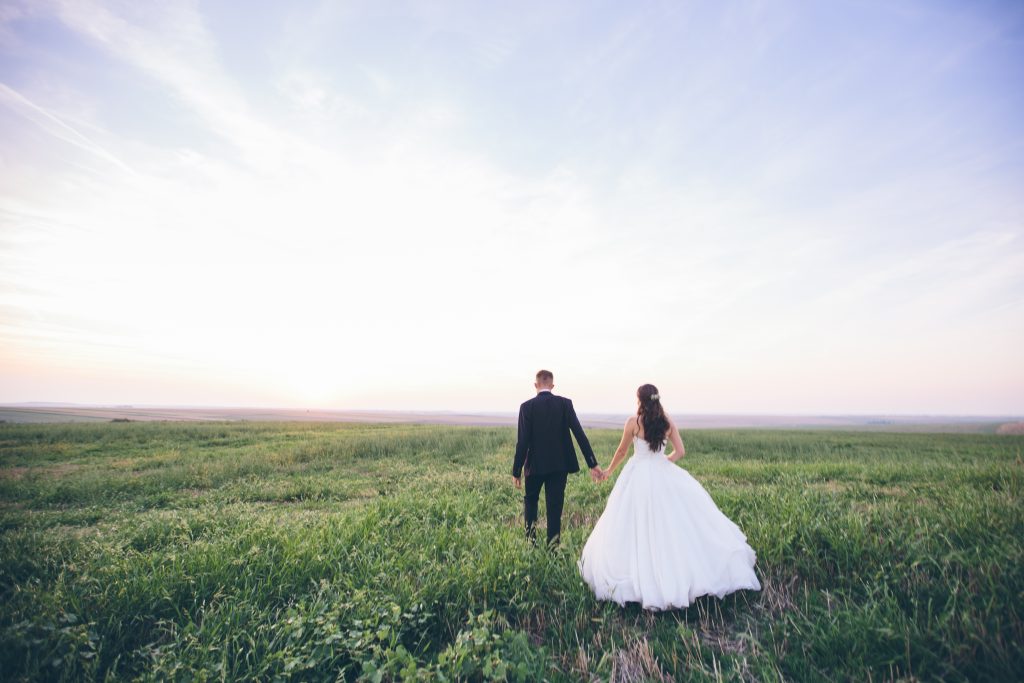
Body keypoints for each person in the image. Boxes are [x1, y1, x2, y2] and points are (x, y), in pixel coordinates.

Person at [578, 383, 761, 610]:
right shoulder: (667, 422)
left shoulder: (633, 423)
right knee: (674, 523)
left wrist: (607, 472)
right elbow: (681, 452)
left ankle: (644, 578)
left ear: (639, 401)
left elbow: (622, 452)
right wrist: (663, 463)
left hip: (638, 476)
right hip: (662, 472)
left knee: (634, 523)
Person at [512, 369, 605, 547]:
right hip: (559, 466)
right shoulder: (565, 404)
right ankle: (553, 549)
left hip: (534, 466)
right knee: (554, 507)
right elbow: (580, 434)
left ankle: (530, 544)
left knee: (530, 503)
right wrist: (592, 463)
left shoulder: (526, 407)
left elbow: (522, 442)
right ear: (552, 385)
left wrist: (516, 471)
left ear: (535, 385)